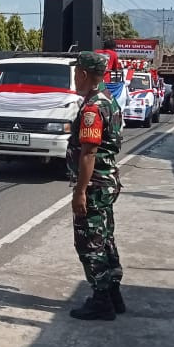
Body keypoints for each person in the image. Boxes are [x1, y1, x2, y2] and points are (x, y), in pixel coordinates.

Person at [66, 51, 124, 321]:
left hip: (95, 185)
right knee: (105, 238)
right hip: (107, 182)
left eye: (76, 73)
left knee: (90, 243)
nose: (74, 78)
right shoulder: (108, 99)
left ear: (84, 74)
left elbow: (89, 153)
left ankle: (101, 301)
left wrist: (80, 192)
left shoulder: (92, 108)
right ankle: (113, 293)